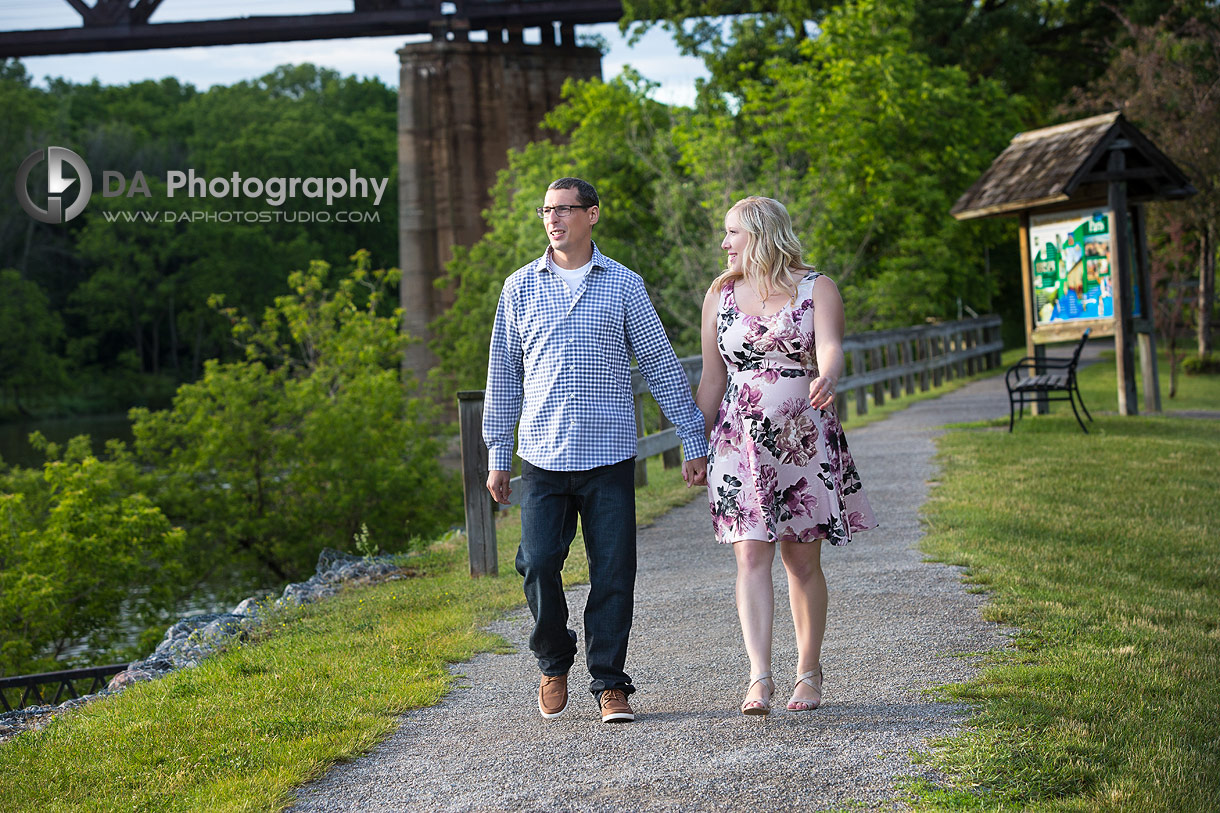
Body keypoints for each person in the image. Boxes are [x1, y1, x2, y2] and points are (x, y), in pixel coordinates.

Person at [483, 177, 709, 724]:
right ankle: (553, 659)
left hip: (607, 456)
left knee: (613, 573)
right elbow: (502, 377)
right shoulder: (518, 288)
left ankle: (610, 683)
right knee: (537, 563)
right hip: (541, 455)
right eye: (546, 211)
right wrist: (497, 453)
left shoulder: (625, 286)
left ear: (593, 215)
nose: (553, 219)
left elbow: (659, 364)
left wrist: (692, 436)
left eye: (564, 209)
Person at [694, 196, 877, 716]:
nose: (724, 243)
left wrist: (829, 374)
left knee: (800, 560)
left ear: (758, 234)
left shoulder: (816, 287)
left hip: (803, 439)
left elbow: (832, 347)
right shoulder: (720, 294)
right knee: (750, 554)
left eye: (731, 233)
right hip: (739, 444)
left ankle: (809, 672)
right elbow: (712, 379)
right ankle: (759, 677)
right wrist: (695, 442)